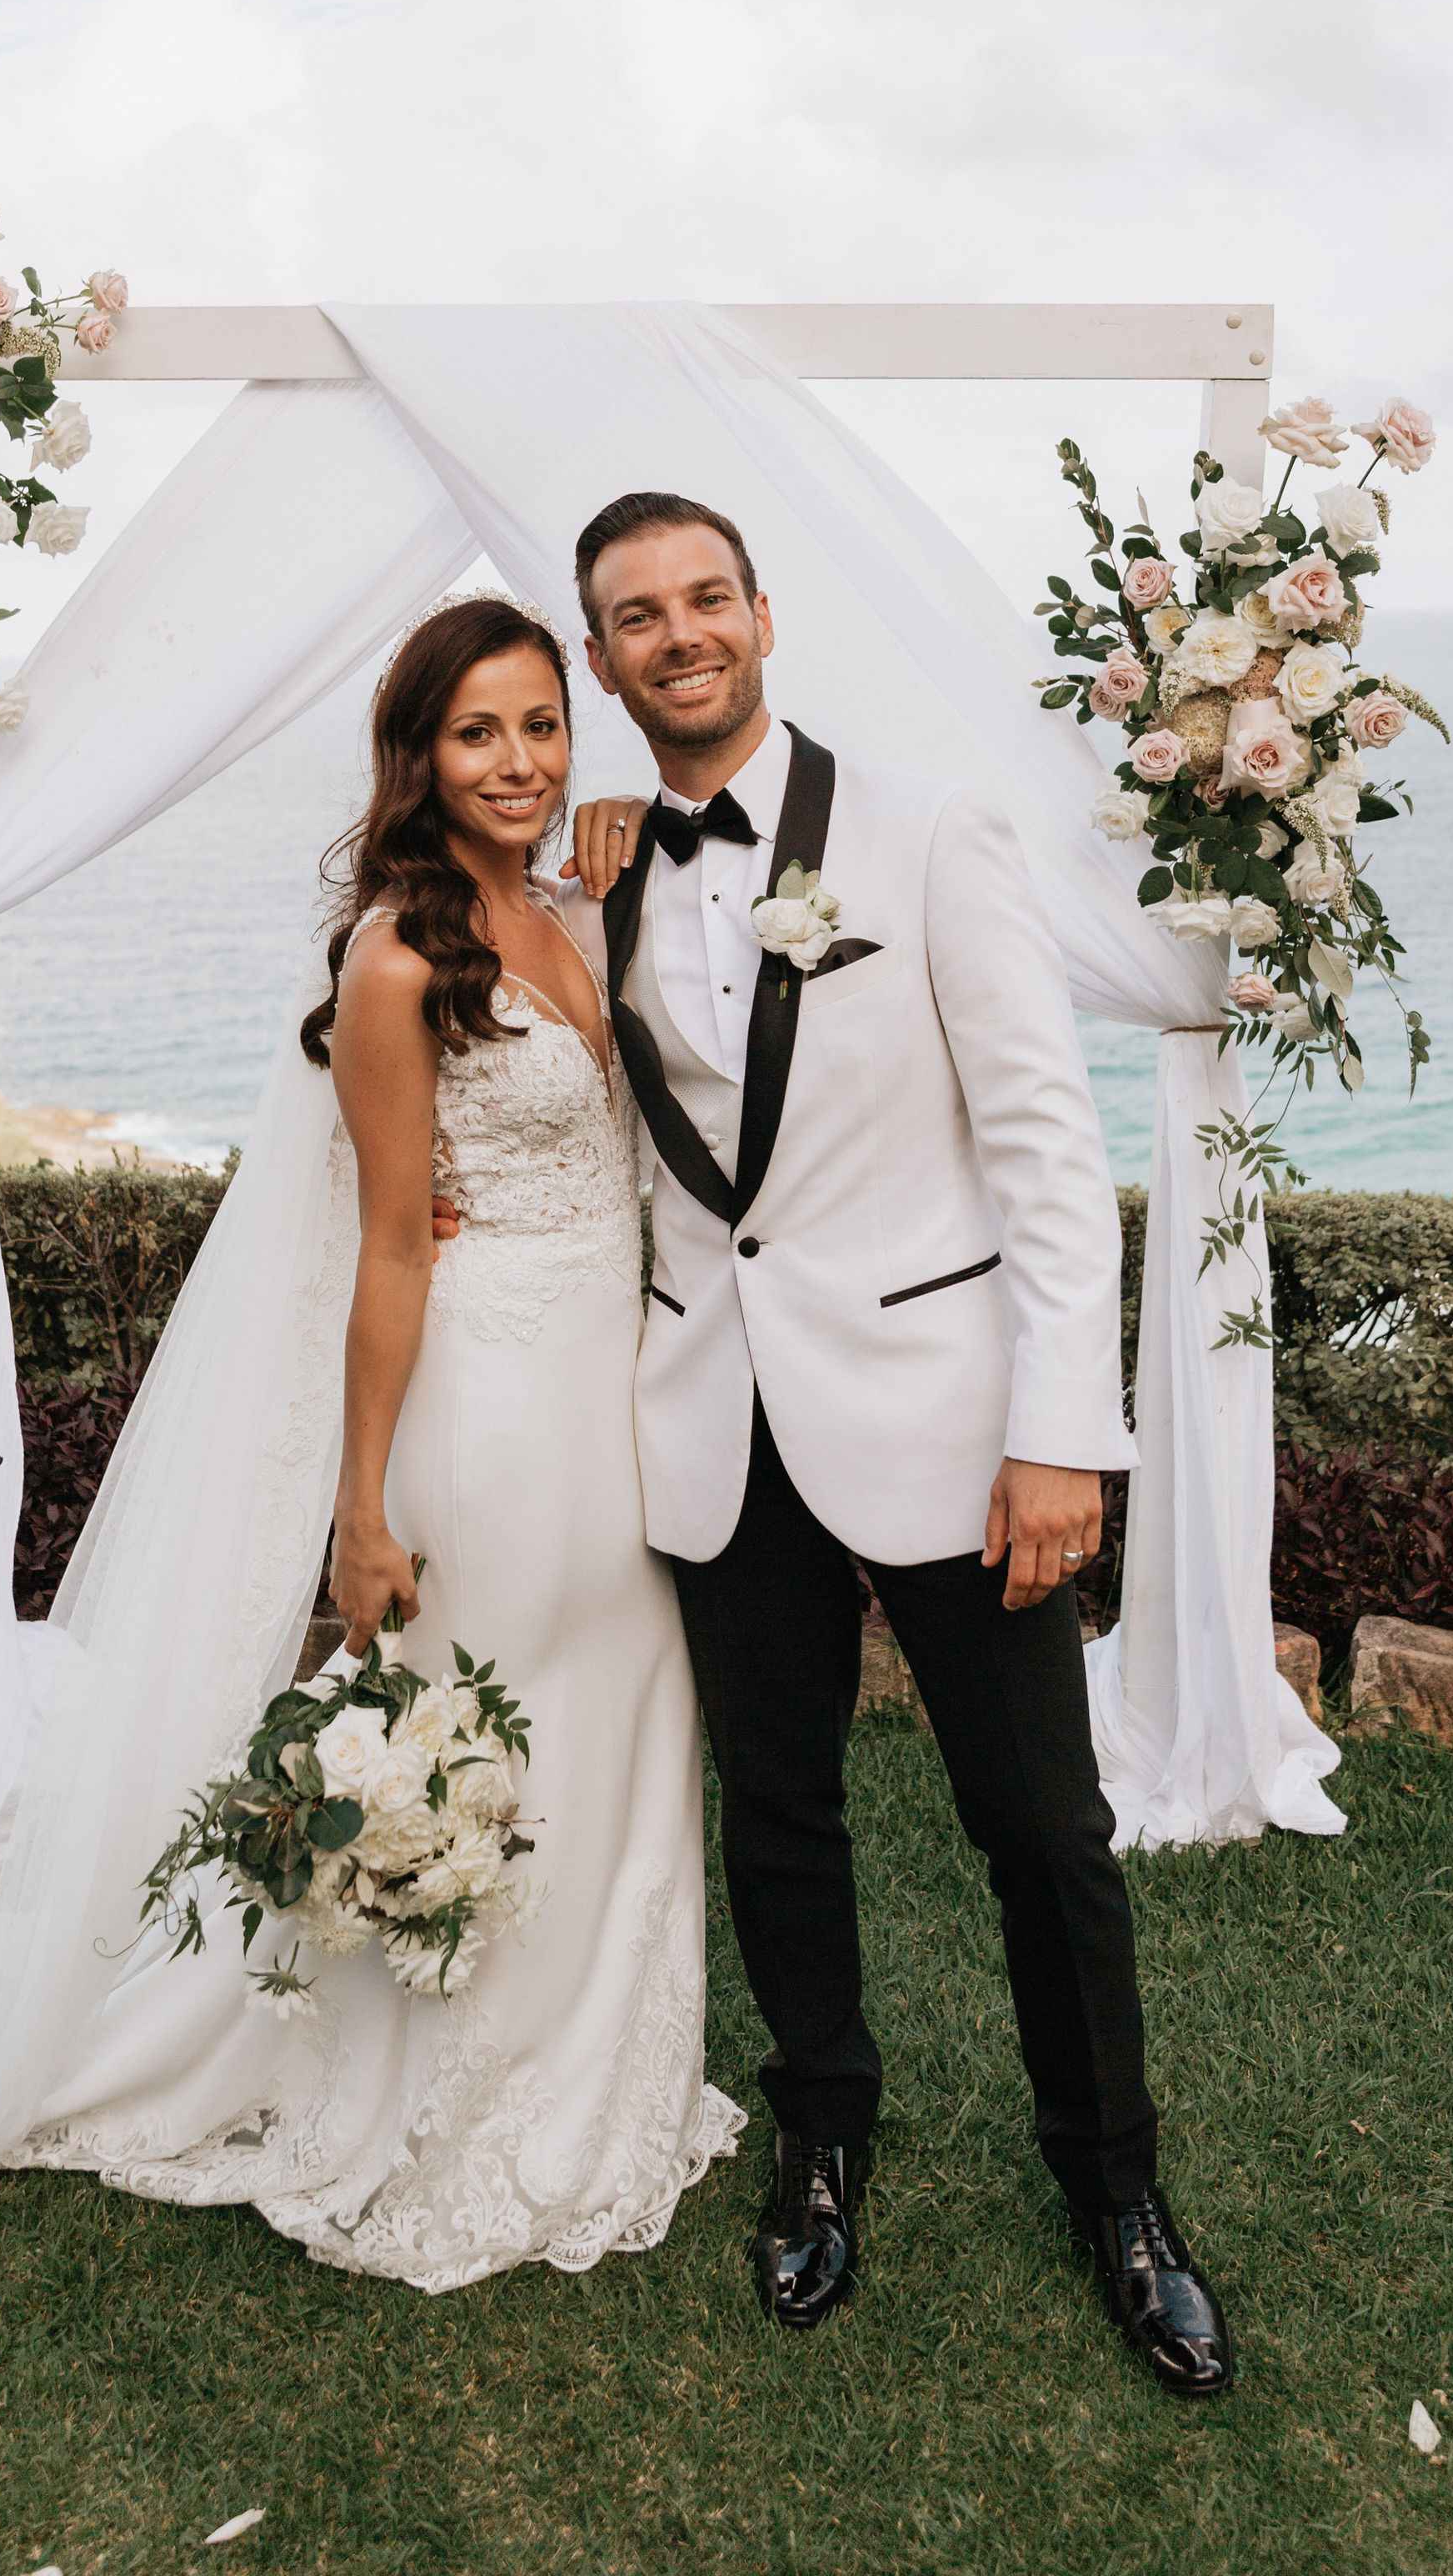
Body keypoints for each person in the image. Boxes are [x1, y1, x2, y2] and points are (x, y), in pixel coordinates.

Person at [0, 591, 740, 2288]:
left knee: (617, 1715)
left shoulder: (577, 907)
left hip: (608, 1397)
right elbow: (394, 1248)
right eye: (476, 731)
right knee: (503, 1723)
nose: (517, 761)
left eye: (542, 725)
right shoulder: (401, 960)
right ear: (417, 757)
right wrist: (358, 1507)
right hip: (486, 1410)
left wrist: (624, 856)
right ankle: (450, 2102)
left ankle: (596, 2071)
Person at [549, 489, 1232, 2388]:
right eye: (635, 616)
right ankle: (823, 2139)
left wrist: (1060, 1435)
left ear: (763, 616)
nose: (677, 634)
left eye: (706, 598)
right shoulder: (587, 873)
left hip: (949, 1419)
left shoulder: (932, 832)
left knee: (1043, 1827)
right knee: (777, 1811)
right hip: (710, 1414)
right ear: (600, 657)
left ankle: (1118, 2191)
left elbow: (1043, 1148)